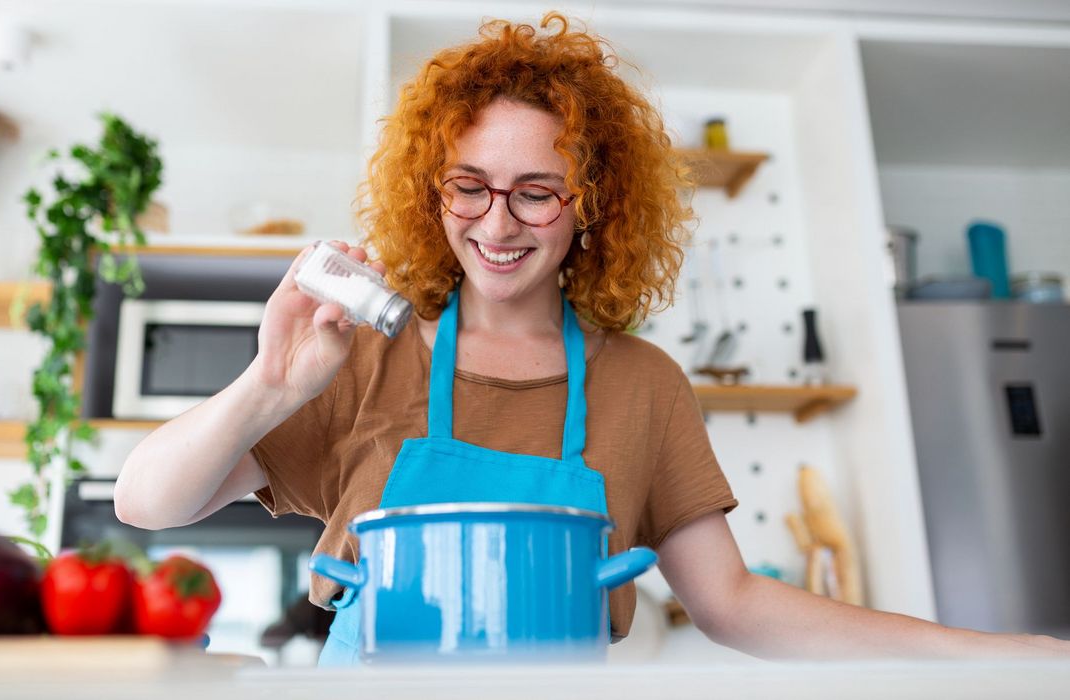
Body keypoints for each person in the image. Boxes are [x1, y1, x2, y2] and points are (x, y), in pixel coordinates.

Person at [114, 12, 1069, 663]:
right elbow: (147, 503)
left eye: (537, 191)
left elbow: (733, 605)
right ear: (432, 190)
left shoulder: (643, 383)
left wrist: (991, 654)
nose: (498, 223)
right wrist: (270, 388)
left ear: (590, 208)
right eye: (470, 186)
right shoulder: (363, 352)